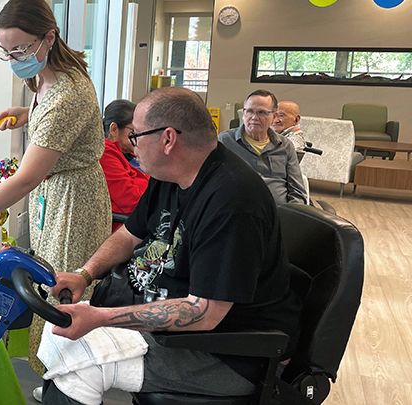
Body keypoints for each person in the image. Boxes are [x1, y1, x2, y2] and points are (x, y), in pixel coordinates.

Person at [42, 87, 302, 404]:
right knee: (61, 334)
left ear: (167, 139)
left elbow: (203, 313)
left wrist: (102, 318)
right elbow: (130, 234)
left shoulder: (232, 202)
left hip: (229, 353)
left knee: (80, 367)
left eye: (136, 135)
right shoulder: (169, 174)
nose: (131, 145)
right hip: (177, 328)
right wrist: (85, 274)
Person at [0, 0, 111, 391]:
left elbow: (25, 179)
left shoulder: (69, 92)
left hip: (73, 201)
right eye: (5, 51)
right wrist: (27, 113)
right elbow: (53, 119)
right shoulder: (44, 76)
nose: (13, 59)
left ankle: (70, 386)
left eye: (21, 50)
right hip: (55, 193)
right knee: (46, 283)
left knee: (61, 294)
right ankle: (57, 378)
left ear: (49, 37)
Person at [218, 89, 307, 205]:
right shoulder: (225, 141)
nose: (254, 117)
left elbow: (297, 191)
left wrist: (291, 217)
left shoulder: (285, 146)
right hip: (236, 213)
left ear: (274, 116)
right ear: (244, 113)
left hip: (278, 215)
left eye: (262, 113)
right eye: (250, 111)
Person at [100, 100, 149, 232]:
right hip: (123, 229)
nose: (138, 138)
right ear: (114, 129)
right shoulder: (105, 154)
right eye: (134, 131)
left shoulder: (125, 152)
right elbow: (131, 200)